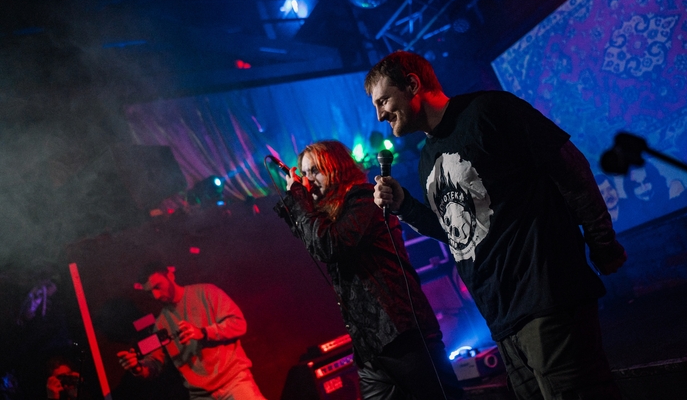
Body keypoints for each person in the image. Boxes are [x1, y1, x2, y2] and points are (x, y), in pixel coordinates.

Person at [366, 51, 627, 400]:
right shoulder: (427, 159)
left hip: (548, 301)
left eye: (383, 100)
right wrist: (405, 207)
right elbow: (459, 235)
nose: (380, 115)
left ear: (412, 84)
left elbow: (571, 169)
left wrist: (602, 242)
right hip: (503, 323)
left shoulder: (488, 111)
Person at [274, 140, 464, 400]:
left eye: (315, 171)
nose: (309, 180)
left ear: (336, 168)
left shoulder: (364, 199)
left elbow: (328, 245)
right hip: (370, 350)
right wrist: (296, 204)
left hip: (402, 336)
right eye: (304, 173)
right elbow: (312, 238)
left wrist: (299, 197)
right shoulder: (331, 215)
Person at [117, 262, 267, 400]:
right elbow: (155, 365)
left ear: (170, 276)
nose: (155, 296)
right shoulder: (160, 325)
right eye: (150, 292)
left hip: (234, 383)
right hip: (200, 395)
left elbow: (238, 323)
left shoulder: (207, 292)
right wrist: (137, 367)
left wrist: (203, 332)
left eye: (157, 286)